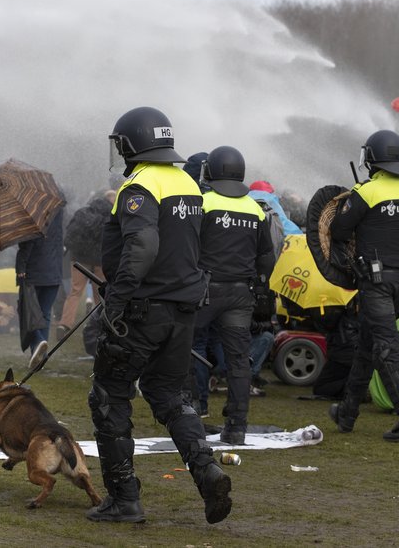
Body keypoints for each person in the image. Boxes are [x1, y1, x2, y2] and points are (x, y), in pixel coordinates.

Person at [87, 106, 231, 524]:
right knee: (170, 395)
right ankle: (206, 471)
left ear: (132, 143)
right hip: (182, 312)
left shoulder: (141, 185)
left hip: (141, 311)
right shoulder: (186, 182)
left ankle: (123, 498)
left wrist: (116, 300)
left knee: (109, 395)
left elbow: (144, 246)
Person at [328, 130, 399, 442]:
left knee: (388, 349)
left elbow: (338, 230)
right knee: (367, 345)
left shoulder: (368, 192)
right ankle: (347, 413)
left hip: (374, 280)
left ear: (371, 158)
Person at [189, 145, 276, 445]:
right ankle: (236, 426)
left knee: (188, 348)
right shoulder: (255, 208)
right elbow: (267, 255)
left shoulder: (204, 202)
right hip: (241, 293)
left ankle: (190, 415)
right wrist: (258, 285)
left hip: (204, 291)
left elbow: (187, 246)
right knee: (239, 361)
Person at [59, 190, 114, 338]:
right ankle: (99, 324)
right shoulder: (110, 216)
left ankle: (65, 324)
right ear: (110, 201)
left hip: (79, 260)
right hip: (100, 261)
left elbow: (69, 235)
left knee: (75, 292)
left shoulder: (83, 213)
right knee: (100, 295)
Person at [16, 207, 64, 355]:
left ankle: (38, 343)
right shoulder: (58, 213)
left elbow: (28, 244)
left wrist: (21, 267)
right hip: (54, 272)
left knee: (27, 311)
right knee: (45, 313)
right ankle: (40, 355)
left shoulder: (33, 214)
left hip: (34, 271)